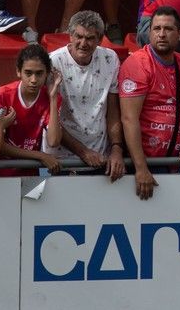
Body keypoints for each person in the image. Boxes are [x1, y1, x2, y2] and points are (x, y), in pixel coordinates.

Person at [118, 6, 180, 200]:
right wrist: (141, 168)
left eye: (168, 29)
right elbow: (129, 119)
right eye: (156, 29)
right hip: (142, 164)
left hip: (175, 163)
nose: (161, 34)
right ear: (149, 32)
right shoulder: (138, 64)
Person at [50, 11, 126, 182]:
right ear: (70, 36)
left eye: (90, 38)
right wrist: (84, 152)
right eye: (79, 36)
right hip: (63, 161)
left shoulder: (110, 59)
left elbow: (113, 110)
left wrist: (116, 148)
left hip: (102, 159)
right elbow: (51, 119)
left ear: (99, 39)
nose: (83, 43)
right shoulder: (54, 62)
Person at [0, 44, 62, 178]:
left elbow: (54, 141)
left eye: (39, 73)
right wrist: (40, 156)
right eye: (28, 73)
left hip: (28, 173)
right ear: (18, 71)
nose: (33, 80)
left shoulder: (52, 98)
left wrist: (53, 99)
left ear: (47, 73)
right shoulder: (3, 95)